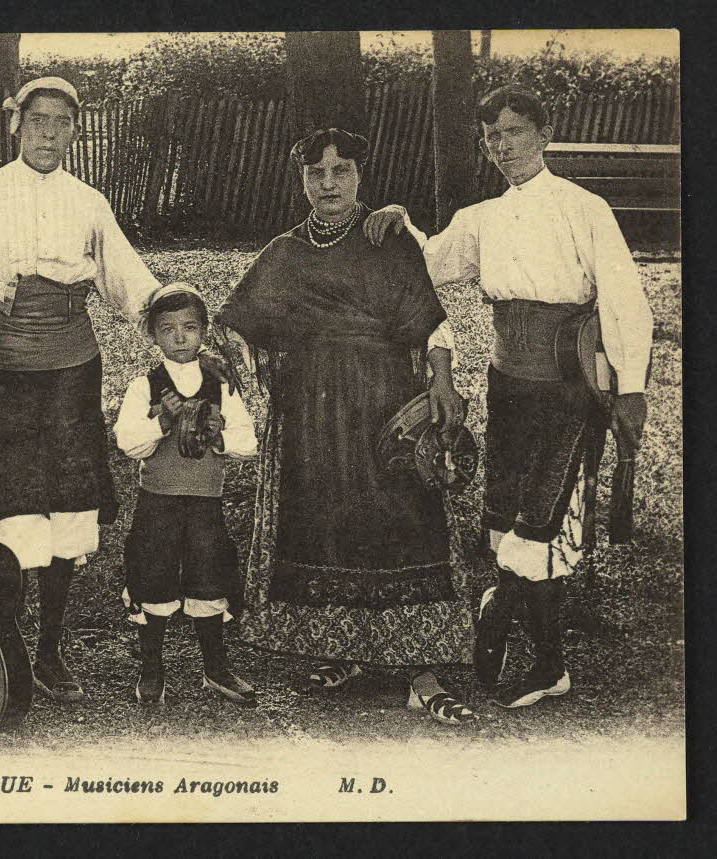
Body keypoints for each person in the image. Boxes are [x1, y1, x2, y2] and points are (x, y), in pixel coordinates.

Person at [363, 85, 653, 708]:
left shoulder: (584, 208)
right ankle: (511, 613)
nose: (503, 145)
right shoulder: (482, 218)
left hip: (569, 388)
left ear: (544, 135)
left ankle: (533, 649)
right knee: (503, 518)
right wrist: (400, 221)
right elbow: (427, 264)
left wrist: (630, 388)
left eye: (515, 131)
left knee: (539, 523)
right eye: (492, 136)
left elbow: (624, 297)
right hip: (508, 386)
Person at [0, 77, 177, 703]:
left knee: (68, 508)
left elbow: (129, 282)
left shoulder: (89, 203)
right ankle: (2, 645)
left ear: (76, 132)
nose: (49, 133)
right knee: (12, 507)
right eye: (38, 120)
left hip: (73, 374)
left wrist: (178, 317)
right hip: (7, 373)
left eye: (63, 122)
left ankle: (50, 651)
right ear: (17, 125)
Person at [215, 128, 478, 725]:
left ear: (361, 175)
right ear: (302, 179)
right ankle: (344, 652)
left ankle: (423, 674)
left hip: (387, 405)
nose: (328, 183)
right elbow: (237, 325)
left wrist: (442, 381)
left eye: (341, 171)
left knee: (404, 521)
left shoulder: (388, 240)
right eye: (316, 172)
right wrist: (216, 361)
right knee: (326, 520)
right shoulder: (284, 252)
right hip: (312, 411)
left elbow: (430, 321)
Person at [114, 284, 258, 707]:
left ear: (203, 331)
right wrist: (161, 423)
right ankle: (151, 668)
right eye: (168, 329)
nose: (179, 337)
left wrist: (219, 436)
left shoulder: (220, 384)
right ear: (153, 335)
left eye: (190, 328)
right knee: (153, 577)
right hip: (158, 502)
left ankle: (215, 667)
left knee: (208, 576)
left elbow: (249, 441)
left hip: (205, 501)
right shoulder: (144, 386)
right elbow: (127, 442)